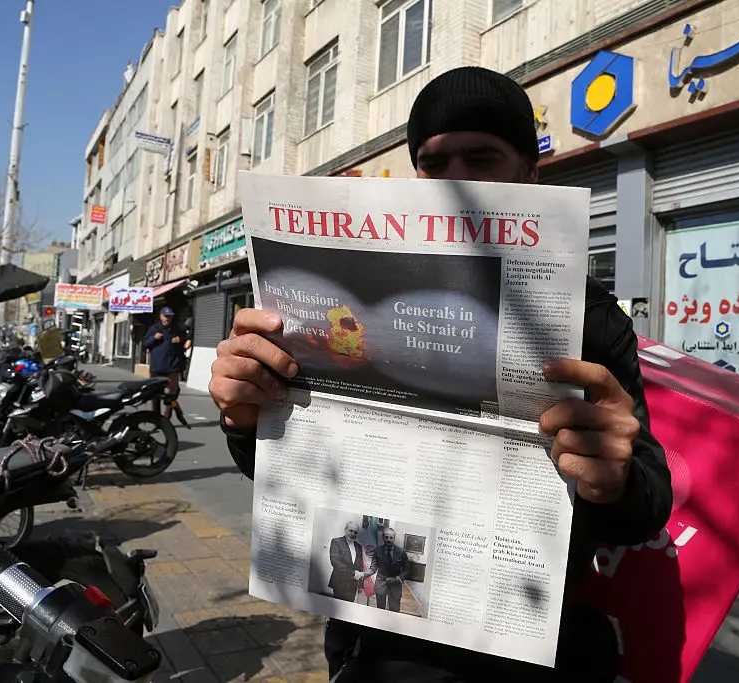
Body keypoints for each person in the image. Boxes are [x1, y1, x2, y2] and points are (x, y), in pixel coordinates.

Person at [208, 66, 673, 682]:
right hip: (376, 642)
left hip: (527, 644)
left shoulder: (589, 317)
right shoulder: (350, 293)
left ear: (529, 174)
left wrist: (617, 478)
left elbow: (648, 502)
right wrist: (246, 420)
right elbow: (295, 470)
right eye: (434, 163)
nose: (455, 178)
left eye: (481, 157)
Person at [142, 306, 185, 418]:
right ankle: (156, 418)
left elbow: (184, 343)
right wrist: (154, 338)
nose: (168, 319)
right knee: (155, 393)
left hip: (172, 366)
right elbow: (145, 344)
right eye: (166, 316)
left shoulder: (177, 329)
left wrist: (180, 340)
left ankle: (167, 416)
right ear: (161, 317)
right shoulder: (154, 329)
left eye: (170, 316)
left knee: (174, 390)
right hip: (156, 367)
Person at [363, 528, 409, 613]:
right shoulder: (377, 551)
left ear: (394, 538)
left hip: (395, 586)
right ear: (383, 537)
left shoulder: (401, 552)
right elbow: (373, 568)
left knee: (394, 612)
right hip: (381, 585)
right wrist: (363, 574)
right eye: (386, 537)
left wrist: (398, 579)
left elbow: (407, 570)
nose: (389, 540)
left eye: (391, 538)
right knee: (380, 611)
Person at [328, 521, 366, 602]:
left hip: (353, 584)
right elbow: (335, 562)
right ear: (345, 530)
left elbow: (360, 566)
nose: (353, 534)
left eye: (355, 532)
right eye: (351, 531)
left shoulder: (358, 546)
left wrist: (361, 585)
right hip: (339, 583)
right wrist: (353, 573)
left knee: (348, 606)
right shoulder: (336, 542)